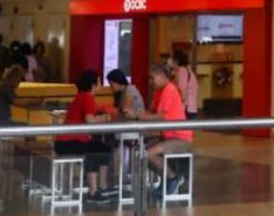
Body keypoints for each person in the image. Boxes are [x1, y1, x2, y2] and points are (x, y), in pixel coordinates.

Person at [129, 64, 192, 199]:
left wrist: (138, 115)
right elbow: (151, 113)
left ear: (162, 76)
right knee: (140, 154)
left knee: (149, 154)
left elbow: (160, 116)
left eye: (152, 78)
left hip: (180, 138)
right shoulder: (159, 92)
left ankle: (172, 178)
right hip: (167, 137)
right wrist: (136, 114)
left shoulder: (169, 90)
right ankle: (168, 178)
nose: (150, 82)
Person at [56, 70, 116, 203]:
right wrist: (105, 118)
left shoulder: (82, 96)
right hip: (69, 142)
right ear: (93, 85)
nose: (101, 84)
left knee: (100, 149)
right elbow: (90, 120)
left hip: (64, 142)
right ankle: (95, 190)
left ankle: (99, 186)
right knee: (98, 151)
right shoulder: (87, 97)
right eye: (99, 81)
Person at [168, 50, 200, 120]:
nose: (169, 60)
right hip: (191, 108)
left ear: (176, 60)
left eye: (171, 58)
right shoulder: (187, 69)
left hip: (186, 109)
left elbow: (183, 95)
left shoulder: (182, 71)